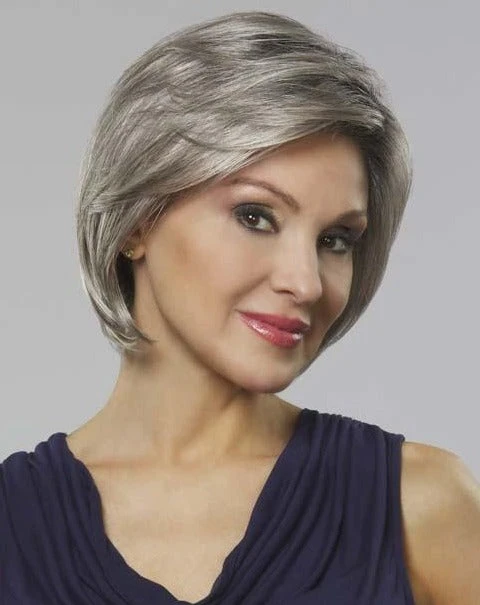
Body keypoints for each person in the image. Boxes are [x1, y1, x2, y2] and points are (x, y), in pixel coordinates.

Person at [1, 10, 479, 605]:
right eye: (256, 217)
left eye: (335, 240)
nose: (305, 282)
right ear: (137, 220)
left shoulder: (419, 507)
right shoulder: (12, 527)